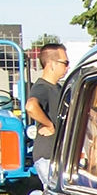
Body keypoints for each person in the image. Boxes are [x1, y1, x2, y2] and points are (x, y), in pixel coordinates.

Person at [25, 43, 68, 183]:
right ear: (51, 64)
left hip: (58, 156)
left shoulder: (58, 88)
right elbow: (31, 106)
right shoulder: (42, 87)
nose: (67, 67)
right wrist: (48, 125)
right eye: (65, 63)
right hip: (47, 157)